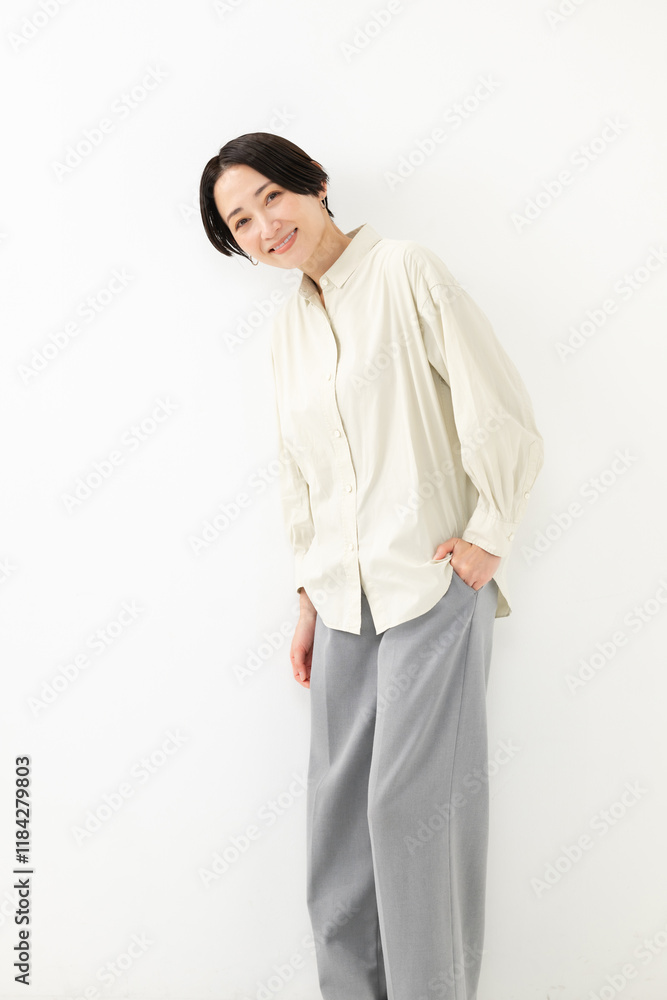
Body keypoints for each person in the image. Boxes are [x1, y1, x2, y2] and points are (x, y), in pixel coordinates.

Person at [200, 132, 544, 1000]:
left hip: (430, 584)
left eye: (271, 197)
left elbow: (495, 404)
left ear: (314, 184)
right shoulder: (288, 330)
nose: (264, 226)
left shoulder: (405, 271)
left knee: (409, 815)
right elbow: (302, 471)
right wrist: (307, 597)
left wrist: (489, 532)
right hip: (339, 600)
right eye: (240, 222)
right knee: (337, 830)